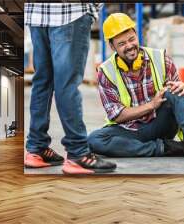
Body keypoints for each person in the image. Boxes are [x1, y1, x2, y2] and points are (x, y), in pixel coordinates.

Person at [87, 13, 184, 165]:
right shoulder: (106, 72)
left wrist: (182, 89)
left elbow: (179, 101)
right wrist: (151, 105)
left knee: (174, 91)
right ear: (112, 46)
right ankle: (164, 148)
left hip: (161, 123)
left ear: (137, 35)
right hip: (129, 130)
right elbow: (116, 115)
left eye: (131, 39)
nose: (129, 46)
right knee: (94, 140)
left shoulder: (160, 58)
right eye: (121, 43)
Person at [24, 3, 116, 174]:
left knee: (42, 81)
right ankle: (78, 153)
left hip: (36, 13)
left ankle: (36, 149)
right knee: (67, 84)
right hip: (69, 12)